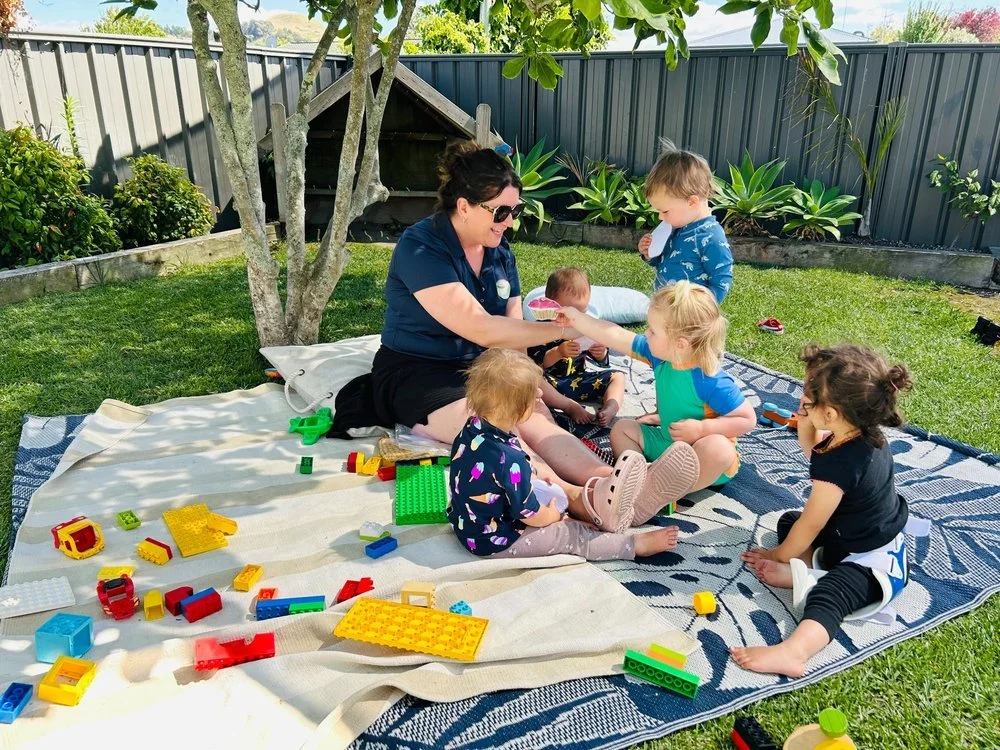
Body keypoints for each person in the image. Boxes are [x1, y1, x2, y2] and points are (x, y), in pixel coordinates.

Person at [370, 141, 642, 532]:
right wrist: (570, 326)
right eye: (501, 211)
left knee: (536, 418)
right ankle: (578, 498)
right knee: (493, 429)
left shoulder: (500, 252)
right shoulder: (420, 247)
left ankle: (612, 482)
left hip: (483, 366)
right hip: (419, 373)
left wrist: (525, 379)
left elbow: (511, 333)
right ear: (464, 205)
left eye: (516, 210)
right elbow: (481, 327)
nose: (510, 221)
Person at [730, 344, 916, 677]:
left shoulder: (843, 463)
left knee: (829, 592)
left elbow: (812, 525)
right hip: (849, 537)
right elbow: (819, 456)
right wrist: (806, 424)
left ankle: (794, 651)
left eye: (807, 397)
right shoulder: (861, 437)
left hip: (870, 564)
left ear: (829, 414)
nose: (801, 400)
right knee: (790, 521)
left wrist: (777, 555)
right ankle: (803, 572)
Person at [555, 281, 756, 526]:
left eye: (652, 330)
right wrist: (577, 319)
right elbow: (614, 334)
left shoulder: (710, 380)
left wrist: (702, 430)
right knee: (622, 430)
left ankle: (667, 493)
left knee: (719, 449)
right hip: (667, 443)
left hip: (702, 459)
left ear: (679, 343)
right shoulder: (660, 355)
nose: (645, 334)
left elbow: (747, 419)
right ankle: (644, 479)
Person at [449, 349, 678, 558]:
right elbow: (529, 514)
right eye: (532, 393)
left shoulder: (472, 429)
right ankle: (632, 545)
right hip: (494, 540)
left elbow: (496, 479)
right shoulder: (510, 459)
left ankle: (598, 505)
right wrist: (557, 518)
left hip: (468, 523)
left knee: (550, 490)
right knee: (572, 536)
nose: (540, 393)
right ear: (516, 407)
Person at [528, 267, 626, 427]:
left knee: (618, 377)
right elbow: (539, 364)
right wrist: (559, 352)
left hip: (578, 380)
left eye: (582, 311)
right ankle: (569, 406)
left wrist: (601, 353)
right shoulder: (542, 329)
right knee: (532, 379)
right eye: (569, 311)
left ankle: (610, 408)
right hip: (552, 385)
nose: (576, 317)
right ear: (549, 304)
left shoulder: (584, 327)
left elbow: (601, 362)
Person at [635, 143, 733, 303]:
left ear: (692, 202)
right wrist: (649, 254)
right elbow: (665, 261)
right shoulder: (675, 226)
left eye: (665, 211)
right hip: (664, 308)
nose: (660, 217)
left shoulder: (711, 237)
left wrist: (703, 312)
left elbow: (721, 280)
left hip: (688, 316)